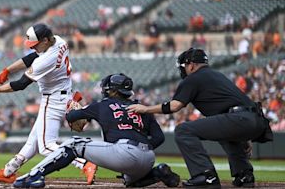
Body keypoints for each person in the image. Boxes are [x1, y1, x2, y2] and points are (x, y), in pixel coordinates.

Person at [127, 48, 273, 188]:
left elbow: (174, 106)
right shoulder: (217, 75)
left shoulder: (194, 78)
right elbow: (235, 105)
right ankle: (244, 175)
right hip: (255, 119)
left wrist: (146, 109)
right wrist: (244, 135)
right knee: (225, 135)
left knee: (183, 130)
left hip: (239, 118)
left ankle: (205, 175)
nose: (183, 70)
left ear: (191, 65)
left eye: (184, 66)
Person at [12, 73, 180, 188]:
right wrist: (141, 149)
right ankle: (157, 172)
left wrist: (72, 108)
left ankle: (34, 176)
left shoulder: (101, 105)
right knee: (130, 181)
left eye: (107, 88)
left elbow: (71, 118)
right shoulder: (142, 108)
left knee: (74, 144)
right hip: (148, 157)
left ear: (113, 90)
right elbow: (159, 138)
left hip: (124, 153)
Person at [0, 23, 97, 184]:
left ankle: (84, 163)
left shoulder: (45, 61)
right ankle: (8, 171)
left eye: (35, 45)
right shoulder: (58, 41)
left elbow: (21, 84)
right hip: (62, 96)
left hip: (53, 100)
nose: (33, 48)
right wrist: (7, 70)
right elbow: (31, 57)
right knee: (33, 142)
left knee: (46, 146)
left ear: (44, 40)